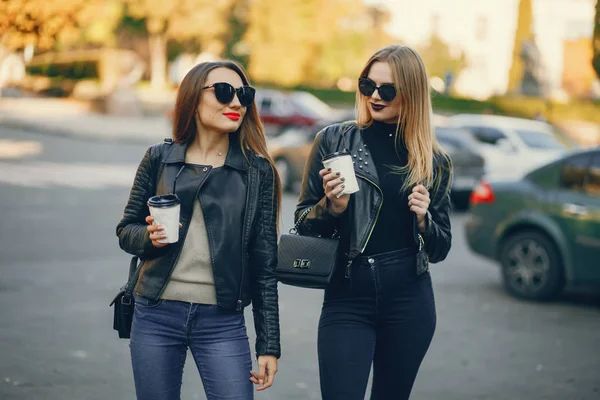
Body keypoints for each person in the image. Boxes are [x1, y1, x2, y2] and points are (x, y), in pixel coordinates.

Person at [116, 60, 281, 400]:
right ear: (194, 97)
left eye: (243, 94)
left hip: (222, 322)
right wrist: (149, 237)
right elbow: (126, 230)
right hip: (155, 314)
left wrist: (269, 346)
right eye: (223, 92)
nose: (235, 102)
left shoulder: (257, 171)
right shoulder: (159, 158)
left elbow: (265, 265)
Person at [295, 45, 452, 399]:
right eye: (368, 86)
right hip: (348, 295)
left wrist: (425, 220)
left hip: (409, 299)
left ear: (411, 94)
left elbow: (442, 248)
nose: (375, 97)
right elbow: (303, 222)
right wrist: (332, 207)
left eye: (388, 90)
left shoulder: (433, 161)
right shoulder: (334, 140)